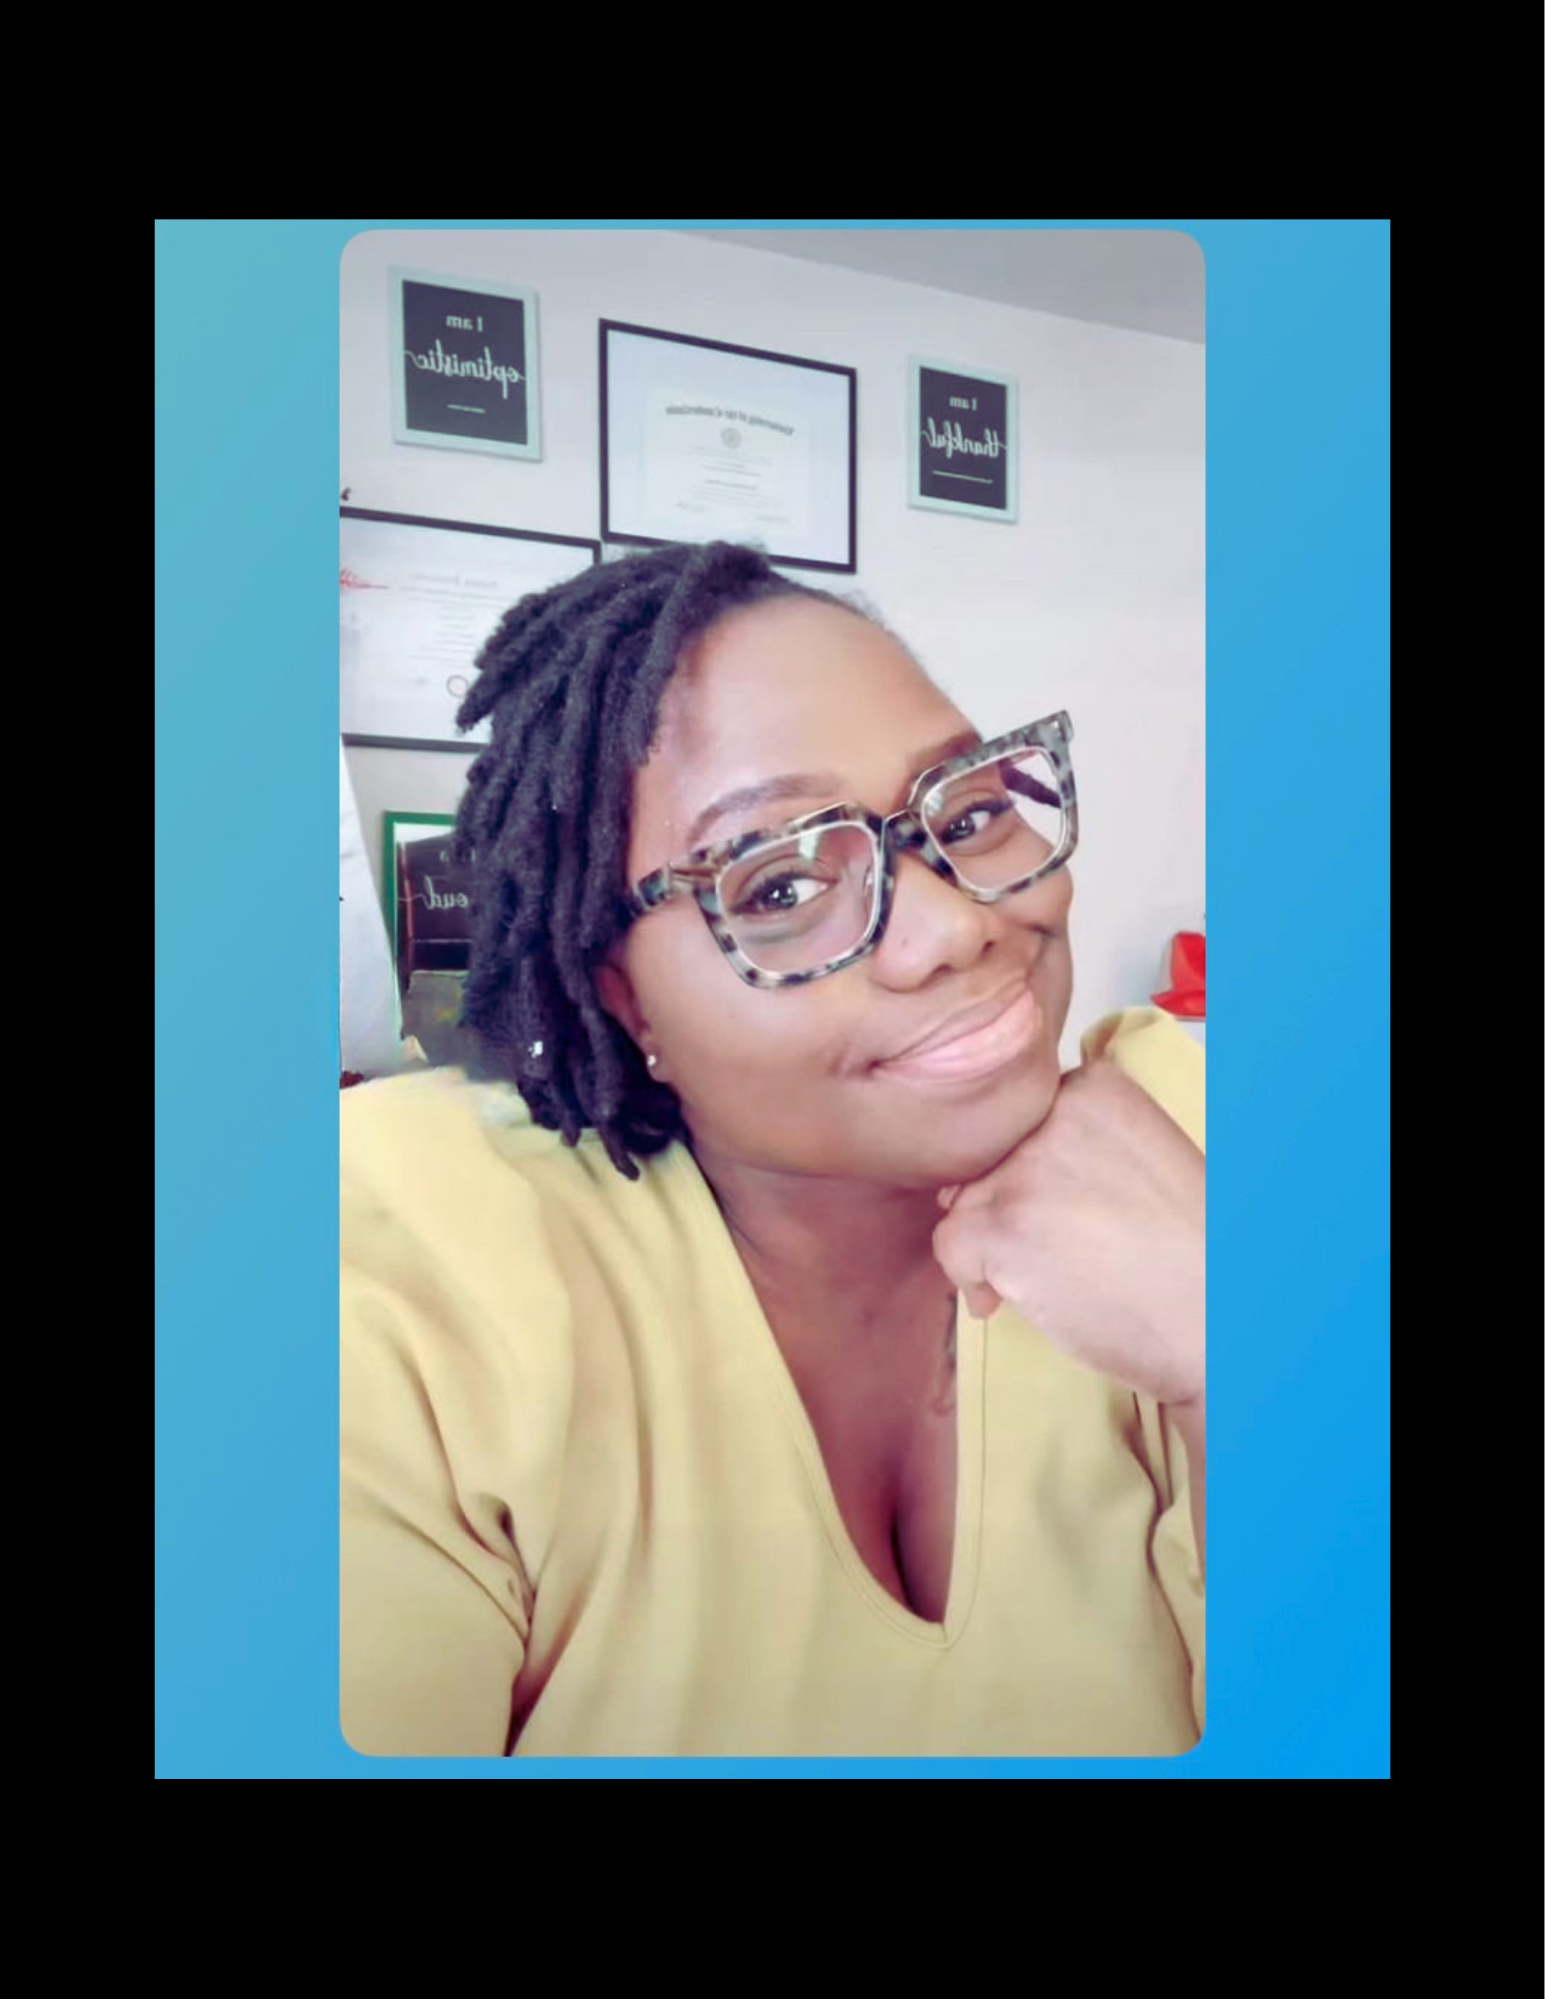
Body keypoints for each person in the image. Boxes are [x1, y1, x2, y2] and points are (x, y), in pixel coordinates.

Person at [341, 540, 1205, 1759]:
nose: (959, 926)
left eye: (968, 809)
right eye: (783, 884)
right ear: (625, 1000)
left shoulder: (1194, 1132)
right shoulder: (422, 1280)